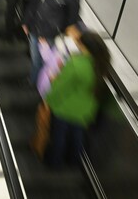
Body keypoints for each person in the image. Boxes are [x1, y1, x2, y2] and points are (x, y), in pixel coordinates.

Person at [45, 32, 110, 167]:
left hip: (65, 108)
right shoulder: (101, 64)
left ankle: (54, 163)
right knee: (77, 137)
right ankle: (74, 162)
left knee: (59, 137)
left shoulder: (76, 63)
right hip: (86, 110)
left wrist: (49, 100)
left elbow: (60, 87)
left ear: (84, 46)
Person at [23, 0, 80, 86]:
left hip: (51, 35)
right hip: (35, 29)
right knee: (36, 59)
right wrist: (26, 22)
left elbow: (72, 19)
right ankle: (33, 80)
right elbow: (33, 4)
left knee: (48, 61)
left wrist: (60, 32)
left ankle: (42, 85)